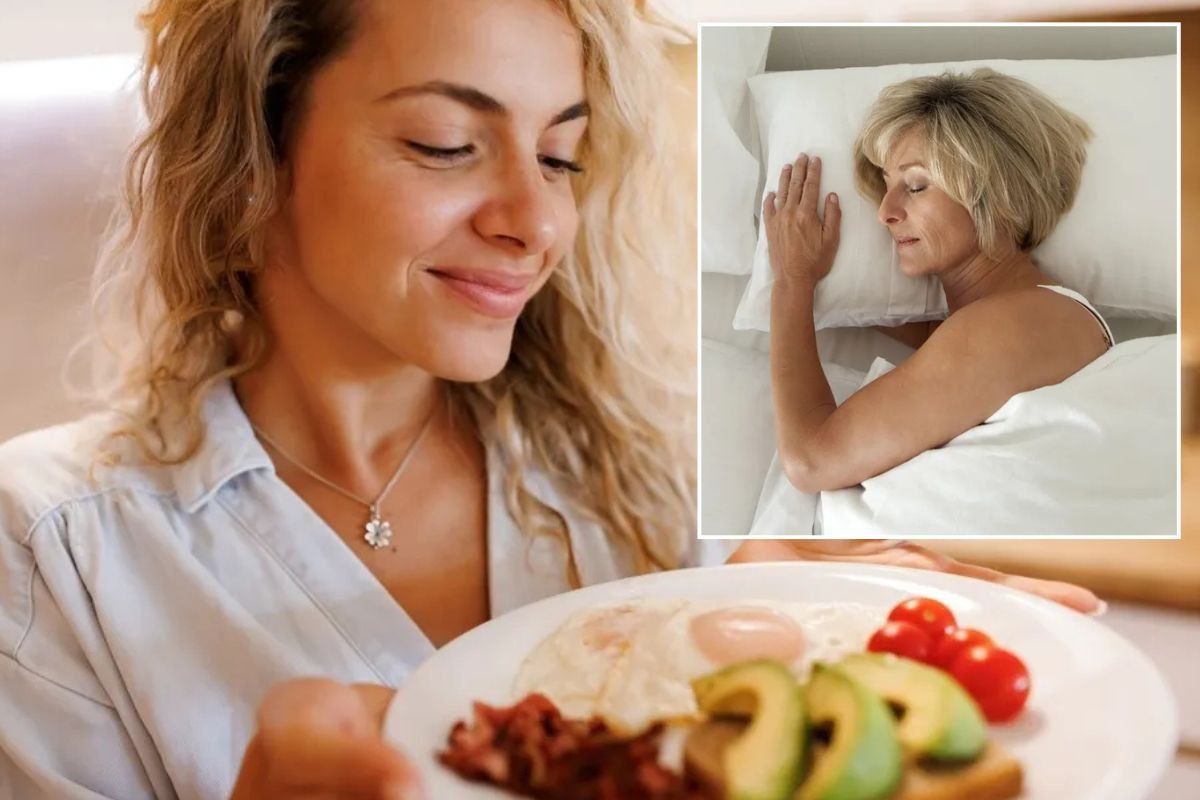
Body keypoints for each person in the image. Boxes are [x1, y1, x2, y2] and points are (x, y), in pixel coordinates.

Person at [0, 6, 1099, 798]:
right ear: (255, 155)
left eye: (563, 155)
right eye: (446, 144)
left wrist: (787, 621)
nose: (535, 221)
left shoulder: (646, 471)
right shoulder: (51, 544)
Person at [764, 69, 1112, 494]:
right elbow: (944, 346)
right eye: (887, 186)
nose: (885, 212)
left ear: (996, 194)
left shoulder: (1006, 327)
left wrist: (792, 281)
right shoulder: (1025, 318)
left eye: (915, 185)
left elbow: (811, 462)